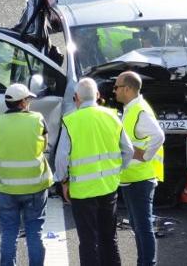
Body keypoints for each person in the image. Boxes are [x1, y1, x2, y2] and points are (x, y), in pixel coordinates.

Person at [55, 77, 134, 266]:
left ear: (76, 98)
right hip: (108, 188)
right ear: (98, 95)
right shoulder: (113, 116)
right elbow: (128, 151)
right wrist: (116, 171)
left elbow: (61, 158)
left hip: (82, 192)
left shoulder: (70, 121)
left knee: (88, 242)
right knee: (109, 239)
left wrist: (64, 182)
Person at [0, 83, 53, 266]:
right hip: (35, 186)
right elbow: (44, 146)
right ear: (23, 102)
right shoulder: (38, 120)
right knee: (34, 231)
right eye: (28, 99)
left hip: (6, 187)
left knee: (9, 232)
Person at [114, 71, 165, 266]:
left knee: (143, 227)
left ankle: (147, 263)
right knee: (138, 225)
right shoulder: (131, 109)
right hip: (131, 178)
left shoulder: (139, 111)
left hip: (140, 179)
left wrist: (143, 154)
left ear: (127, 89)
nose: (114, 90)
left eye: (117, 87)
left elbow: (159, 136)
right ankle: (143, 262)